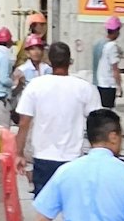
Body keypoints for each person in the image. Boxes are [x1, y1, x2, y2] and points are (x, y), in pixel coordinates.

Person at [14, 40, 98, 196]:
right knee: (72, 204)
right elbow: (96, 124)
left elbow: (24, 123)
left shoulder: (35, 86)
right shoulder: (85, 88)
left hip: (43, 157)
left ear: (49, 61)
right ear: (70, 62)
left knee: (44, 205)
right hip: (73, 159)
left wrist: (18, 153)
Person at [92, 17, 124, 109]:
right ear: (116, 31)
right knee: (108, 113)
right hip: (108, 86)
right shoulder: (112, 46)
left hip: (97, 84)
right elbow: (115, 69)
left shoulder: (99, 44)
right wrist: (119, 86)